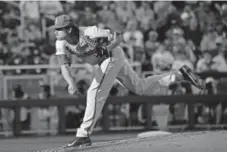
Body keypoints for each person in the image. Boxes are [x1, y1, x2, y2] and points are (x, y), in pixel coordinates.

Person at [50, 14, 205, 148]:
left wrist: (107, 48)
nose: (55, 32)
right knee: (141, 87)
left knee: (95, 91)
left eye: (59, 28)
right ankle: (180, 75)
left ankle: (83, 134)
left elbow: (118, 37)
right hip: (104, 61)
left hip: (112, 56)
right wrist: (71, 83)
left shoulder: (91, 32)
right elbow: (64, 66)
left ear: (69, 29)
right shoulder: (61, 43)